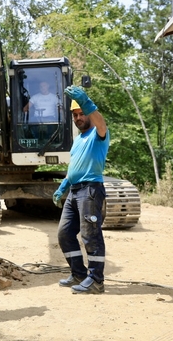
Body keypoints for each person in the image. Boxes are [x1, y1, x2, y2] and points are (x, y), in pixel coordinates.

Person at [53, 86, 109, 295]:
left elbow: (101, 123)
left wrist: (86, 102)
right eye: (75, 115)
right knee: (64, 233)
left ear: (88, 113)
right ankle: (78, 274)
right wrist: (63, 186)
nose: (78, 118)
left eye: (81, 113)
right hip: (75, 191)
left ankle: (96, 280)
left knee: (90, 235)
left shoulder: (98, 133)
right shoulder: (78, 140)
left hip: (90, 190)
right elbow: (74, 168)